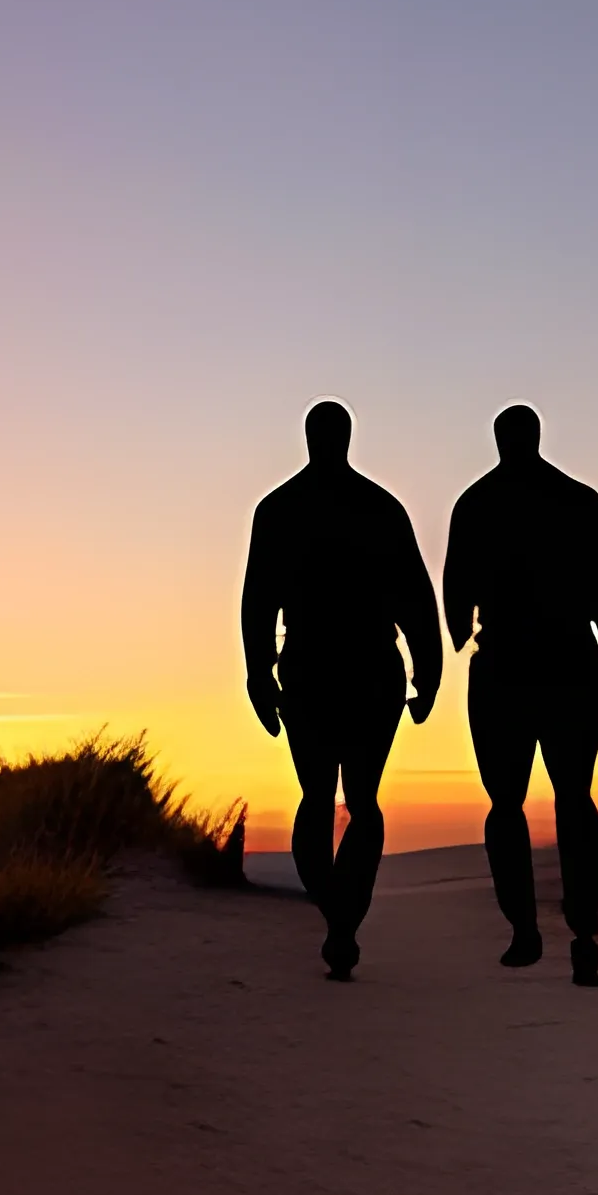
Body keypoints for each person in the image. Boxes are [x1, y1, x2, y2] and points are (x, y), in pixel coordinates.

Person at [241, 400, 442, 980]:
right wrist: (427, 670)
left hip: (329, 672)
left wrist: (260, 674)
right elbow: (417, 600)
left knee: (330, 798)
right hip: (353, 672)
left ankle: (337, 916)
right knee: (352, 800)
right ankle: (341, 918)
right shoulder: (376, 507)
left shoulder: (282, 509)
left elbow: (259, 605)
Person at [444, 404, 598, 988]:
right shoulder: (580, 500)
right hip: (572, 666)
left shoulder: (476, 503)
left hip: (506, 667)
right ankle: (582, 935)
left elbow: (454, 595)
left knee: (509, 804)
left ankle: (526, 931)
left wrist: (455, 640)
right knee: (572, 800)